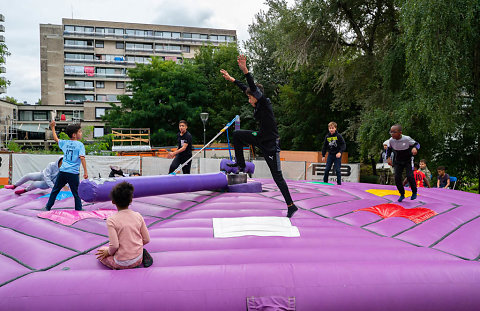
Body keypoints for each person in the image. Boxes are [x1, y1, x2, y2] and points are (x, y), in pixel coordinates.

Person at [220, 55, 298, 218]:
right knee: (237, 134)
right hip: (260, 136)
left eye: (250, 97)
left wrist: (246, 71)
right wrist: (232, 79)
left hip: (270, 144)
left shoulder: (265, 103)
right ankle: (240, 164)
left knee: (277, 177)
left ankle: (291, 205)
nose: (249, 100)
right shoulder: (256, 99)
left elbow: (251, 87)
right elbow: (245, 88)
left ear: (257, 96)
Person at [95, 182, 152, 269]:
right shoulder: (138, 216)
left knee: (102, 252)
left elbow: (114, 246)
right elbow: (147, 239)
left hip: (121, 263)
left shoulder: (111, 220)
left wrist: (108, 252)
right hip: (138, 259)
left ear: (113, 201)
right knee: (132, 245)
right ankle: (141, 253)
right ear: (131, 200)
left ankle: (118, 263)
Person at [45, 121, 88, 211]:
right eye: (79, 131)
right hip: (73, 173)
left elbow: (56, 139)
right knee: (76, 193)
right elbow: (82, 158)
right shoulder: (80, 145)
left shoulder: (65, 143)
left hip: (63, 171)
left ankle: (48, 207)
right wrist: (85, 171)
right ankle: (78, 209)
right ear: (74, 135)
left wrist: (53, 127)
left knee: (55, 190)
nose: (81, 133)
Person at [386, 124, 420, 202]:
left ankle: (414, 191)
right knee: (397, 178)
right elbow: (388, 149)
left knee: (410, 176)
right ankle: (402, 194)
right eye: (391, 132)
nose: (392, 134)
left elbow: (417, 144)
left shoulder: (407, 139)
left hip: (408, 160)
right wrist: (388, 158)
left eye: (394, 132)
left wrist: (414, 148)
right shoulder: (391, 140)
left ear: (400, 133)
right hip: (397, 161)